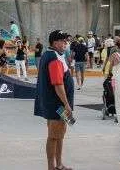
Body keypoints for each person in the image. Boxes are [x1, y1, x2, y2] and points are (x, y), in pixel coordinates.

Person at [35, 30, 76, 170]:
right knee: (53, 136)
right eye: (63, 40)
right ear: (54, 42)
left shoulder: (55, 55)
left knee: (60, 134)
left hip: (57, 103)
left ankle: (58, 164)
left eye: (66, 40)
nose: (66, 43)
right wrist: (66, 104)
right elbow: (58, 84)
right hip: (57, 105)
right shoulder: (54, 58)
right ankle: (52, 167)